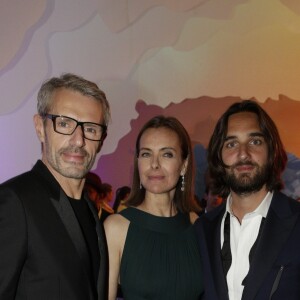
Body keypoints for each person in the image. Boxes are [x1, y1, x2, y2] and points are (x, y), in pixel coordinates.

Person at [0, 73, 110, 300]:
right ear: (40, 128)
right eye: (64, 124)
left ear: (101, 139)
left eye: (90, 129)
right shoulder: (15, 201)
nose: (78, 140)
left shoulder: (91, 211)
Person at [195, 100, 300, 300]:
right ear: (220, 156)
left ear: (271, 150)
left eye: (255, 142)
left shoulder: (297, 223)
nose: (243, 154)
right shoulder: (201, 231)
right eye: (232, 144)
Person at [104, 115, 204, 300]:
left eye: (167, 154)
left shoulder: (195, 224)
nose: (154, 164)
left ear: (184, 164)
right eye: (146, 154)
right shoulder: (116, 228)